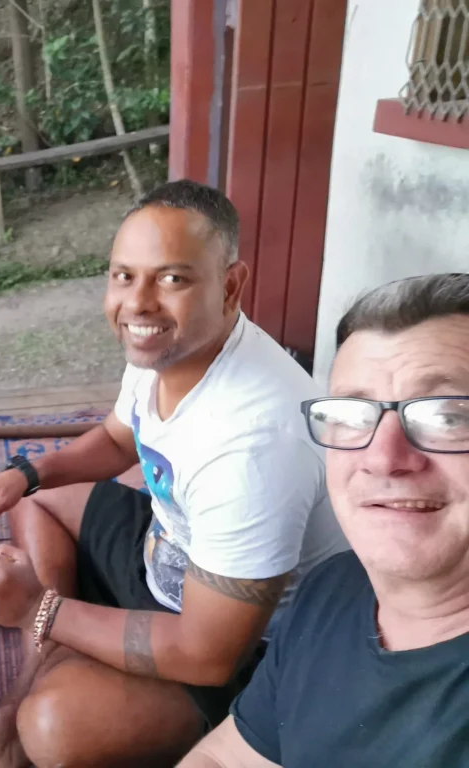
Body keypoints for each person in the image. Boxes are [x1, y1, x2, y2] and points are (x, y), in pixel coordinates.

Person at [0, 180, 349, 768]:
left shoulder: (253, 445)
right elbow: (118, 439)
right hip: (165, 551)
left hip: (240, 639)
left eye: (172, 278)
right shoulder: (166, 347)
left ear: (231, 287)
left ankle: (45, 676)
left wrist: (40, 609)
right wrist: (25, 473)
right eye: (123, 275)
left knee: (53, 728)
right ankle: (45, 668)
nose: (137, 303)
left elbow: (208, 654)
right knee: (35, 501)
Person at [179, 273, 469, 768]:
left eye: (446, 414)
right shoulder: (333, 589)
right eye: (354, 414)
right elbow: (227, 758)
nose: (383, 457)